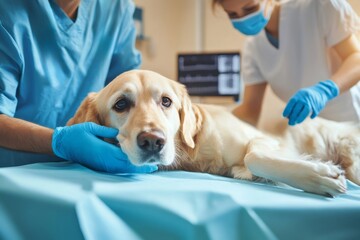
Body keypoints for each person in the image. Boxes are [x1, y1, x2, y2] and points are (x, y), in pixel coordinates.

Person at [0, 0, 157, 173]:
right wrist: (60, 142)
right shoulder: (7, 13)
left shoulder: (115, 8)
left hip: (87, 173)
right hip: (14, 174)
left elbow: (129, 92)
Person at [213, 0, 360, 127]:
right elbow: (250, 112)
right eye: (232, 14)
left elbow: (356, 58)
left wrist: (325, 90)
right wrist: (211, 121)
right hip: (310, 135)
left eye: (250, 8)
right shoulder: (253, 48)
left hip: (350, 123)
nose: (243, 18)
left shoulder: (318, 7)